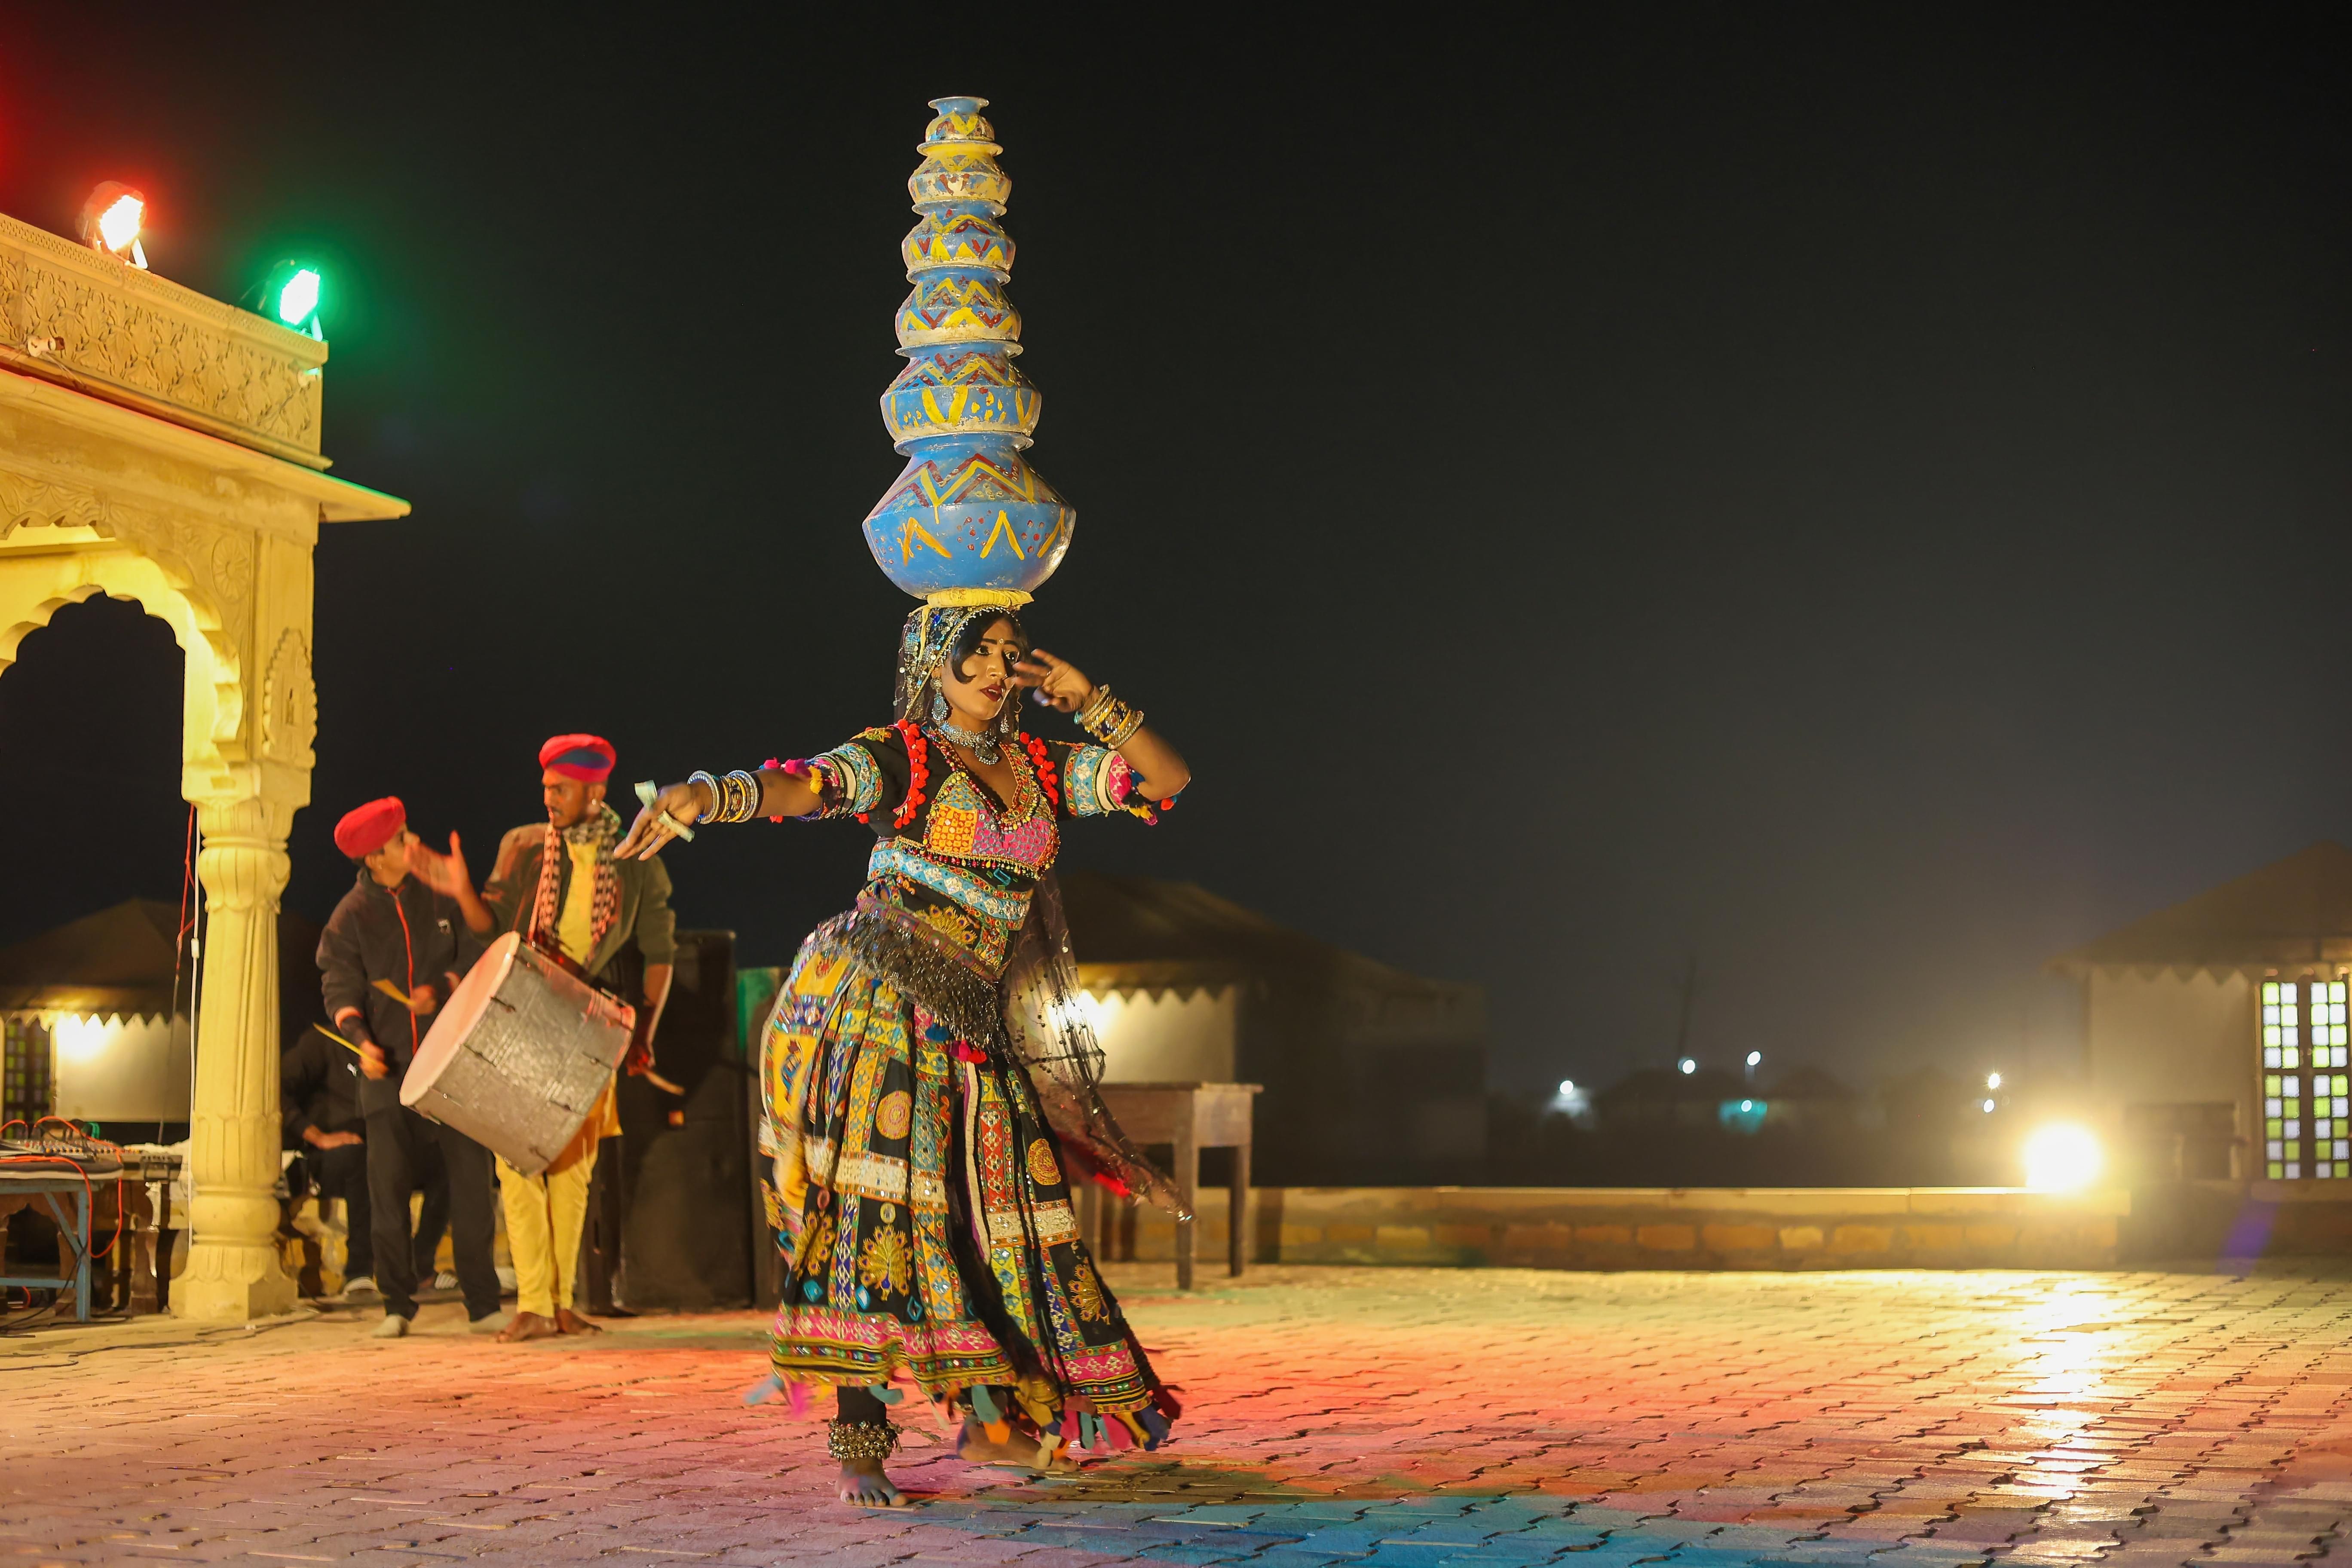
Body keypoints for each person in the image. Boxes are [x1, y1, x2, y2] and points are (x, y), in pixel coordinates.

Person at [621, 605, 1190, 1507]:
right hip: (887, 1002)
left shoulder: (1042, 767)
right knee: (880, 1210)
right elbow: (805, 786)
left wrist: (1093, 701)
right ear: (935, 661)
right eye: (981, 656)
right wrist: (707, 793)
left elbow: (1167, 780)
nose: (1002, 671)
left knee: (1004, 1213)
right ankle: (861, 1439)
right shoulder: (903, 758)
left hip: (976, 1017)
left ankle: (995, 1419)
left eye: (1012, 655)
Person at [411, 735, 675, 1343]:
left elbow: (660, 951)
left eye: (560, 788)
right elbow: (491, 927)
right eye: (546, 787)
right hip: (525, 1014)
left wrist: (646, 1032)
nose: (548, 796)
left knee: (575, 1167)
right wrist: (462, 895)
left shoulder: (639, 860)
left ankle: (561, 1304)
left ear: (595, 791)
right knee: (517, 1159)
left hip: (591, 1018)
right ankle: (533, 1302)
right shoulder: (525, 846)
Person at [316, 797, 506, 1339]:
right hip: (391, 1075)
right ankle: (397, 1303)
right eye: (400, 841)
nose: (412, 844)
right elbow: (340, 987)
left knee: (472, 1186)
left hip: (455, 1067)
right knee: (388, 1194)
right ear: (375, 859)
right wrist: (362, 1041)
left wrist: (443, 989)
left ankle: (483, 1302)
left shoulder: (438, 893)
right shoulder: (349, 917)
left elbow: (480, 948)